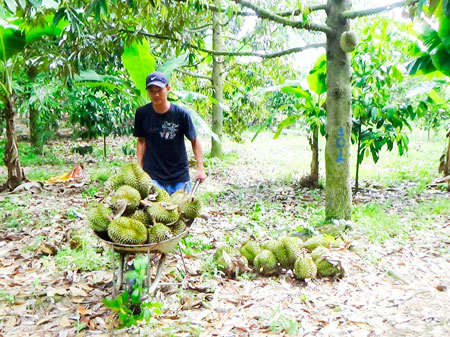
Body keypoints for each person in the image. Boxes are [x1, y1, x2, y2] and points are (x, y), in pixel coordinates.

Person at [133, 71, 207, 194]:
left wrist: (200, 168)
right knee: (153, 211)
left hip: (179, 176)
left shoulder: (181, 114)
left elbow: (195, 140)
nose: (156, 94)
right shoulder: (142, 113)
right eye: (151, 91)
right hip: (152, 176)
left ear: (168, 89)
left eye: (159, 90)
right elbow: (141, 141)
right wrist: (139, 167)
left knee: (181, 211)